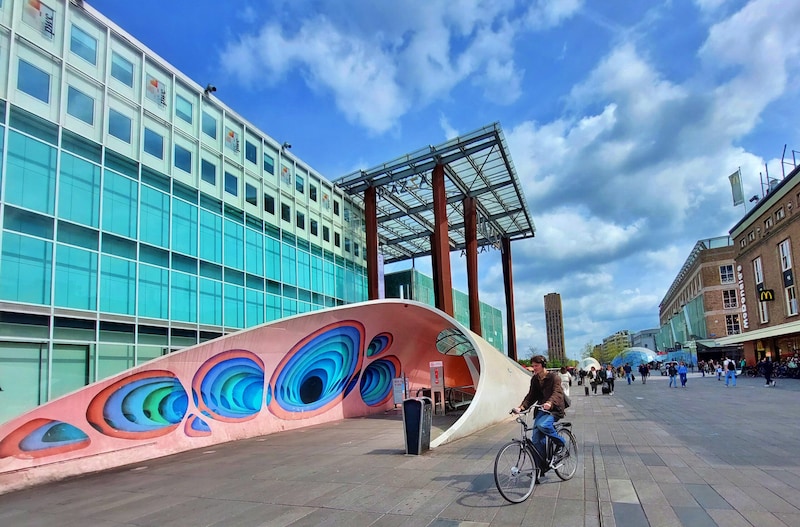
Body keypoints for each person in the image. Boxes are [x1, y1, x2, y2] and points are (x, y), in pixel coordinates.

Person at [514, 355, 566, 461]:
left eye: (536, 365)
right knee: (536, 440)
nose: (534, 368)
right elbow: (531, 395)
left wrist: (550, 403)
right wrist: (521, 407)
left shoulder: (554, 378)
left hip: (554, 409)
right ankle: (541, 466)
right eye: (533, 366)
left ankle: (561, 442)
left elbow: (557, 392)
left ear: (543, 365)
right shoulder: (535, 379)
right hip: (542, 408)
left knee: (542, 425)